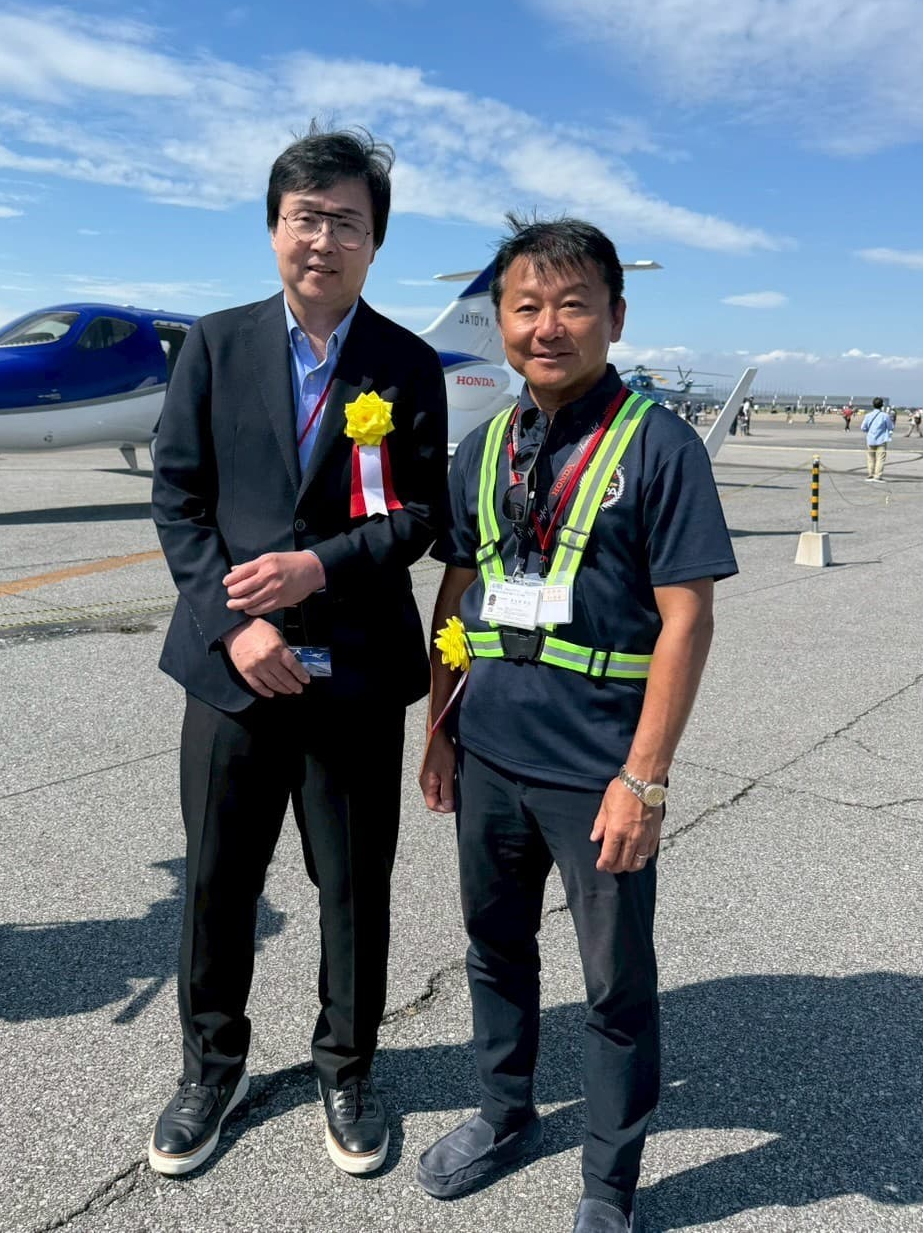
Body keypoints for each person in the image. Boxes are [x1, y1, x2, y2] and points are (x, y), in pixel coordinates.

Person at [416, 216, 737, 1233]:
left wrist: (644, 777)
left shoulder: (660, 446)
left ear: (614, 316)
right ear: (503, 319)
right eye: (526, 306)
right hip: (489, 751)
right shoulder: (485, 447)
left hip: (597, 769)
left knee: (613, 984)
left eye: (571, 304)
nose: (546, 326)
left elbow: (687, 617)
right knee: (493, 947)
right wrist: (439, 723)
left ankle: (609, 1182)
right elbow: (460, 587)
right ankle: (503, 1111)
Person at [148, 127, 447, 1179]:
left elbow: (420, 515)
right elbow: (178, 499)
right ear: (275, 227)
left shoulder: (406, 364)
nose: (324, 239)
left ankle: (347, 1067)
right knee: (217, 880)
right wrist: (236, 623)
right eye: (306, 217)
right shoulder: (215, 344)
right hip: (231, 670)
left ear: (376, 241)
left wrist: (317, 569)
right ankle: (211, 1067)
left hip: (353, 670)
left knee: (353, 886)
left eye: (347, 222)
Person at [860, 397, 893, 481]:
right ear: (882, 405)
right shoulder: (885, 416)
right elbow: (890, 427)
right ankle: (877, 476)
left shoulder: (868, 415)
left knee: (870, 458)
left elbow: (863, 427)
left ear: (873, 405)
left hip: (870, 440)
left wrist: (869, 431)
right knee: (880, 459)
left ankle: (870, 474)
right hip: (881, 440)